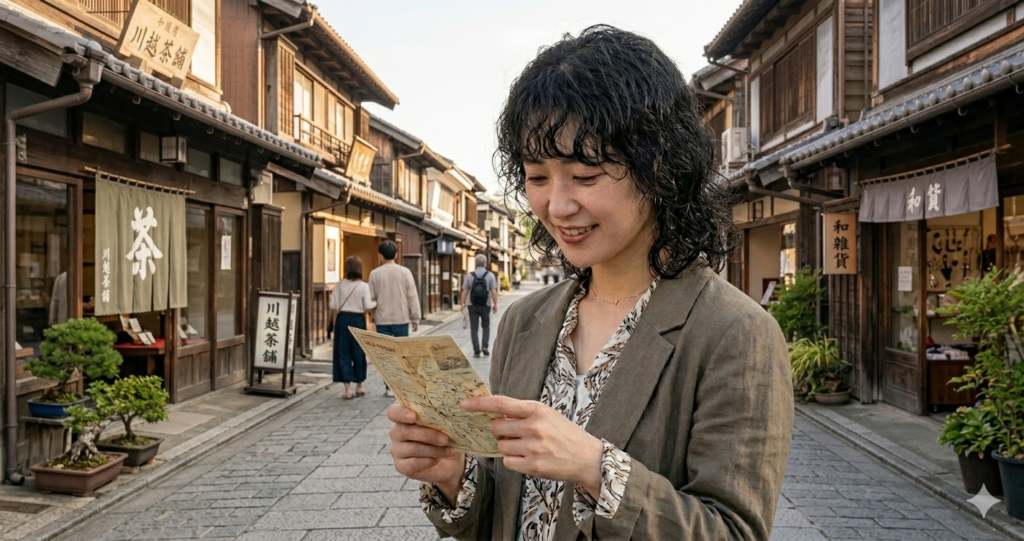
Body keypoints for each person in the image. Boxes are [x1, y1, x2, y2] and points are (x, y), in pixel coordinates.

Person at [386, 25, 793, 540]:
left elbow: (734, 531)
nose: (558, 206)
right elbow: (509, 509)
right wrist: (452, 475)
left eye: (585, 176)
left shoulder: (734, 334)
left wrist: (596, 468)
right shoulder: (524, 321)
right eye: (537, 178)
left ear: (660, 168)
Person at [369, 240, 422, 397]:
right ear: (396, 254)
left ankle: (389, 387)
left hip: (382, 318)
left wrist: (372, 315)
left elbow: (371, 298)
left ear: (380, 255)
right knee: (401, 353)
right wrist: (416, 317)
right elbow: (412, 295)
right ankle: (402, 385)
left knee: (385, 355)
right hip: (401, 317)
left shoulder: (374, 274)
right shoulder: (404, 272)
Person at [329, 256, 375, 400]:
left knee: (343, 353)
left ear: (346, 268)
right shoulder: (363, 286)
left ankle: (347, 389)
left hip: (342, 319)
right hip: (358, 320)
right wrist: (376, 303)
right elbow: (367, 306)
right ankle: (359, 386)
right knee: (359, 353)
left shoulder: (339, 285)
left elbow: (333, 305)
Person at [460, 254, 499, 358]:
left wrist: (462, 304)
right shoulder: (490, 275)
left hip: (472, 305)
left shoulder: (469, 275)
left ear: (475, 264)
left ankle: (476, 350)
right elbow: (494, 292)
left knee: (474, 327)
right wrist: (495, 304)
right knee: (486, 326)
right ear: (485, 264)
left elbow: (464, 291)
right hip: (485, 304)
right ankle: (485, 346)